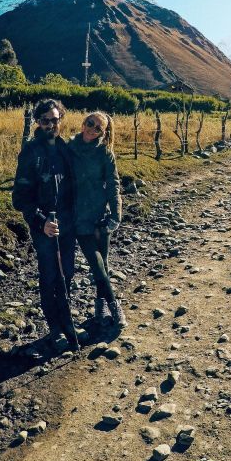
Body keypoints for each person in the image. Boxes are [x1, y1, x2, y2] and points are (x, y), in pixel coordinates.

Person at [12, 99, 80, 351]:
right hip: (44, 227)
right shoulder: (30, 152)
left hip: (68, 223)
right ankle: (54, 328)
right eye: (45, 121)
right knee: (49, 276)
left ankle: (67, 323)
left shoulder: (65, 147)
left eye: (55, 119)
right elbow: (19, 198)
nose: (51, 125)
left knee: (68, 273)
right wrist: (41, 222)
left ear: (61, 118)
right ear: (37, 123)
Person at [68, 111, 127, 328]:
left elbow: (113, 184)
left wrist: (115, 215)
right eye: (90, 123)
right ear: (83, 122)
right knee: (96, 264)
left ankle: (100, 304)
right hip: (79, 218)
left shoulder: (105, 153)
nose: (92, 129)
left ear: (104, 132)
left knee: (103, 263)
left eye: (98, 128)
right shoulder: (69, 148)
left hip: (101, 216)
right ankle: (114, 305)